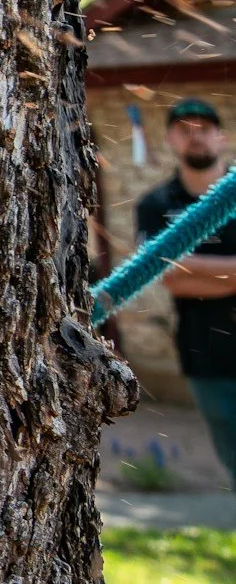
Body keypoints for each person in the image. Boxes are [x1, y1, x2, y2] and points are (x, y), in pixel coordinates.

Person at [136, 97, 236, 481]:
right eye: (184, 130)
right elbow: (169, 277)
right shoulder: (156, 204)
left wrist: (191, 266)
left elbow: (181, 269)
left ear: (221, 138)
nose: (195, 137)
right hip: (204, 353)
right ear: (170, 140)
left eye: (204, 129)